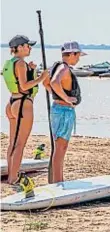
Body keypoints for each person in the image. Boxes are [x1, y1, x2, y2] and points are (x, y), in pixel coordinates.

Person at [1, 35, 49, 185]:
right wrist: (41, 77)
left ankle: (11, 175)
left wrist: (32, 71)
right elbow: (24, 86)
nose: (30, 48)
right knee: (20, 144)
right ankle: (13, 177)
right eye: (28, 45)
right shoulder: (21, 63)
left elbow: (19, 81)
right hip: (22, 104)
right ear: (20, 47)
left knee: (13, 142)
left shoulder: (11, 62)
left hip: (12, 103)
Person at [45, 41, 85, 183]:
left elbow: (47, 82)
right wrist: (66, 98)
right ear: (72, 54)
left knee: (60, 148)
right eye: (78, 55)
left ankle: (58, 180)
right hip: (63, 111)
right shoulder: (64, 68)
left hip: (59, 109)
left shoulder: (57, 67)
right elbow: (54, 82)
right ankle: (57, 182)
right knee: (60, 149)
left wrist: (56, 95)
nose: (79, 58)